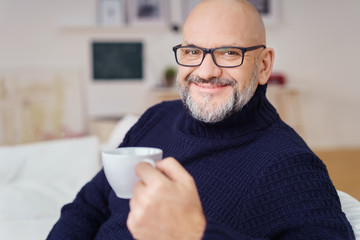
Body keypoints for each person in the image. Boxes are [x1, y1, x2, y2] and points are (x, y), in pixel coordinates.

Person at [47, 0, 355, 239]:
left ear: (264, 65)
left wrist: (195, 235)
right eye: (193, 51)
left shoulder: (290, 165)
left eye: (229, 53)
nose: (206, 71)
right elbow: (89, 203)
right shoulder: (157, 117)